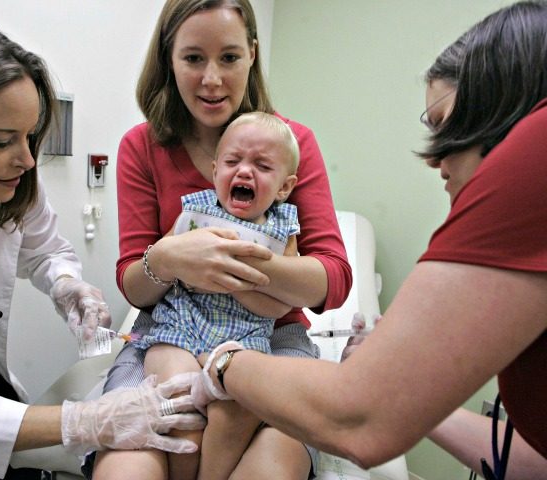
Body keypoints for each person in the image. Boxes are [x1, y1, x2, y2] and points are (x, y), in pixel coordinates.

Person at [192, 1, 547, 479]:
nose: (432, 158)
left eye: (446, 126)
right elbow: (534, 462)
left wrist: (222, 362)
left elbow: (358, 420)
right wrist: (405, 399)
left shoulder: (535, 156)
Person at [0, 20, 205, 480]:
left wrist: (67, 285)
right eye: (2, 141)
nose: (26, 160)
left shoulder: (4, 186)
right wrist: (85, 420)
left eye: (30, 136)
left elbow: (45, 250)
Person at [89, 0, 352, 479]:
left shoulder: (293, 144)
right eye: (193, 58)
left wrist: (228, 264)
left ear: (252, 54)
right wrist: (168, 258)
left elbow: (332, 280)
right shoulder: (141, 148)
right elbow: (133, 284)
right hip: (171, 330)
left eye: (229, 57)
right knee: (132, 466)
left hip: (270, 341)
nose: (212, 79)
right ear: (169, 59)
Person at [131, 111, 301, 479]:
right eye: (232, 161)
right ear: (214, 171)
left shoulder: (284, 227)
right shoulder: (196, 211)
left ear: (285, 187)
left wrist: (231, 282)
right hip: (181, 328)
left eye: (262, 165)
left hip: (244, 341)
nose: (244, 171)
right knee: (181, 401)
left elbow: (283, 302)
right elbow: (166, 258)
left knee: (238, 410)